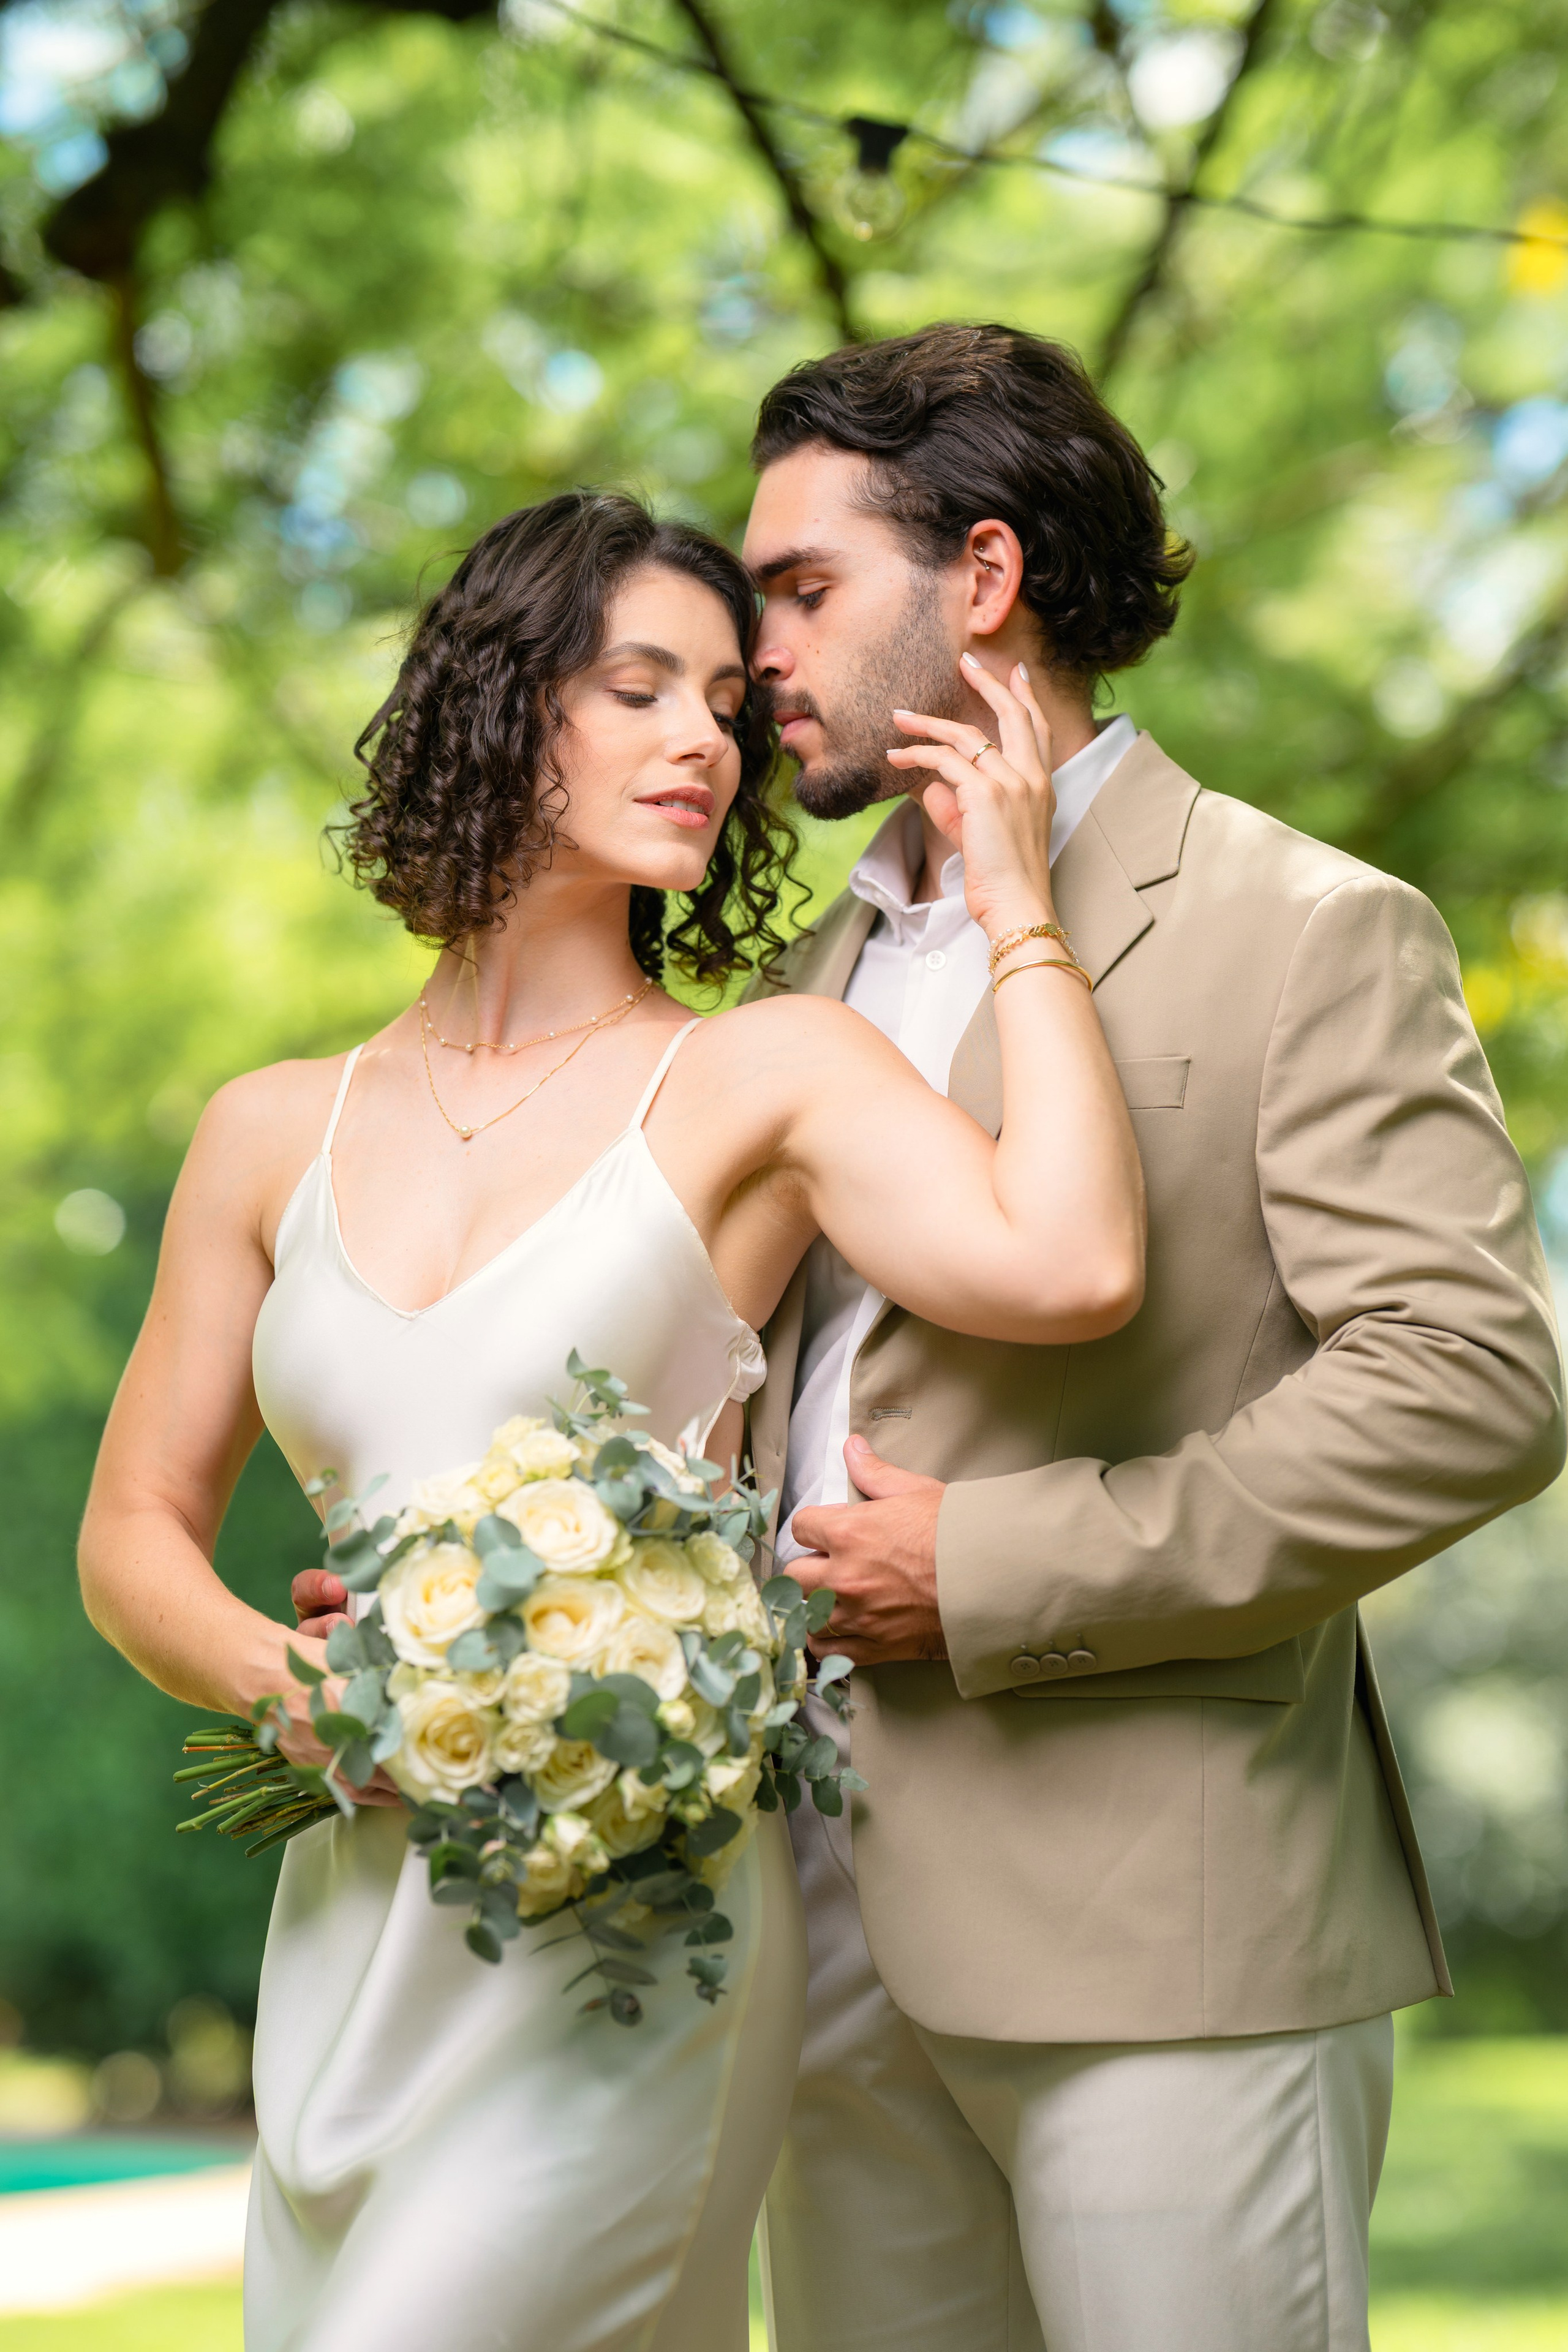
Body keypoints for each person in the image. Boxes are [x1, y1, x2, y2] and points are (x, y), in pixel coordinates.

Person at [78, 488, 1145, 2352]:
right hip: (359, 1918)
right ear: (500, 708)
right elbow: (130, 1536)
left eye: (729, 703)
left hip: (629, 1934)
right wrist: (294, 1689)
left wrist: (1018, 906)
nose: (704, 744)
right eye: (639, 687)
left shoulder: (768, 1075)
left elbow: (1068, 1266)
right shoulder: (267, 1130)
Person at [729, 324, 1567, 2352]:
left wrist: (1002, 1567)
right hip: (806, 1925)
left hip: (1167, 1926)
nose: (757, 645)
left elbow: (1473, 1384)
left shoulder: (1308, 923)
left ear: (987, 578)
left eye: (803, 588)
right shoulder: (794, 972)